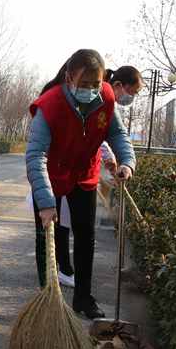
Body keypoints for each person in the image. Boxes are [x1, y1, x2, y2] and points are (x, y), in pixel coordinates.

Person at [27, 49, 135, 319]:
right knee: (46, 236)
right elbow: (36, 155)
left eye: (95, 84)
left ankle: (83, 298)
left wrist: (126, 162)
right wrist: (45, 203)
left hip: (84, 174)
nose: (90, 90)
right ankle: (48, 298)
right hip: (51, 176)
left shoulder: (106, 98)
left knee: (86, 237)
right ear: (69, 79)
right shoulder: (49, 105)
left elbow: (117, 133)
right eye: (84, 84)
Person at [56, 65, 144, 286]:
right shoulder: (88, 99)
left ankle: (71, 275)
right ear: (118, 85)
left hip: (85, 173)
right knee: (62, 222)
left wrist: (122, 162)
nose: (131, 98)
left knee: (77, 227)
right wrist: (108, 155)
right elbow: (90, 133)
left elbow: (113, 135)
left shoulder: (109, 105)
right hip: (64, 171)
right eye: (132, 92)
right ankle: (63, 269)